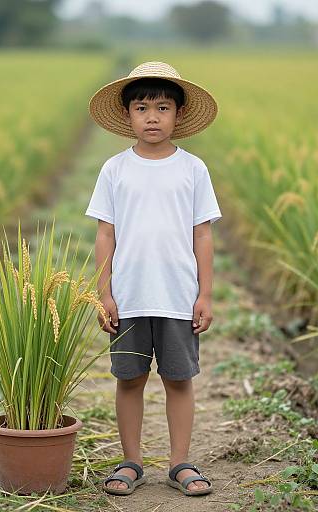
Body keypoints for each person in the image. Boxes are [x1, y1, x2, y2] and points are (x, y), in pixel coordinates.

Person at [85, 61, 222, 497]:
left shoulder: (193, 169)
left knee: (179, 379)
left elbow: (203, 234)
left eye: (163, 108)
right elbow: (105, 234)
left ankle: (180, 462)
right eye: (142, 107)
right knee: (129, 379)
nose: (152, 117)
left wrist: (205, 293)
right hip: (129, 295)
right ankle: (132, 461)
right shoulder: (115, 169)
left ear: (178, 115)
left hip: (178, 295)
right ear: (127, 115)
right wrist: (103, 292)